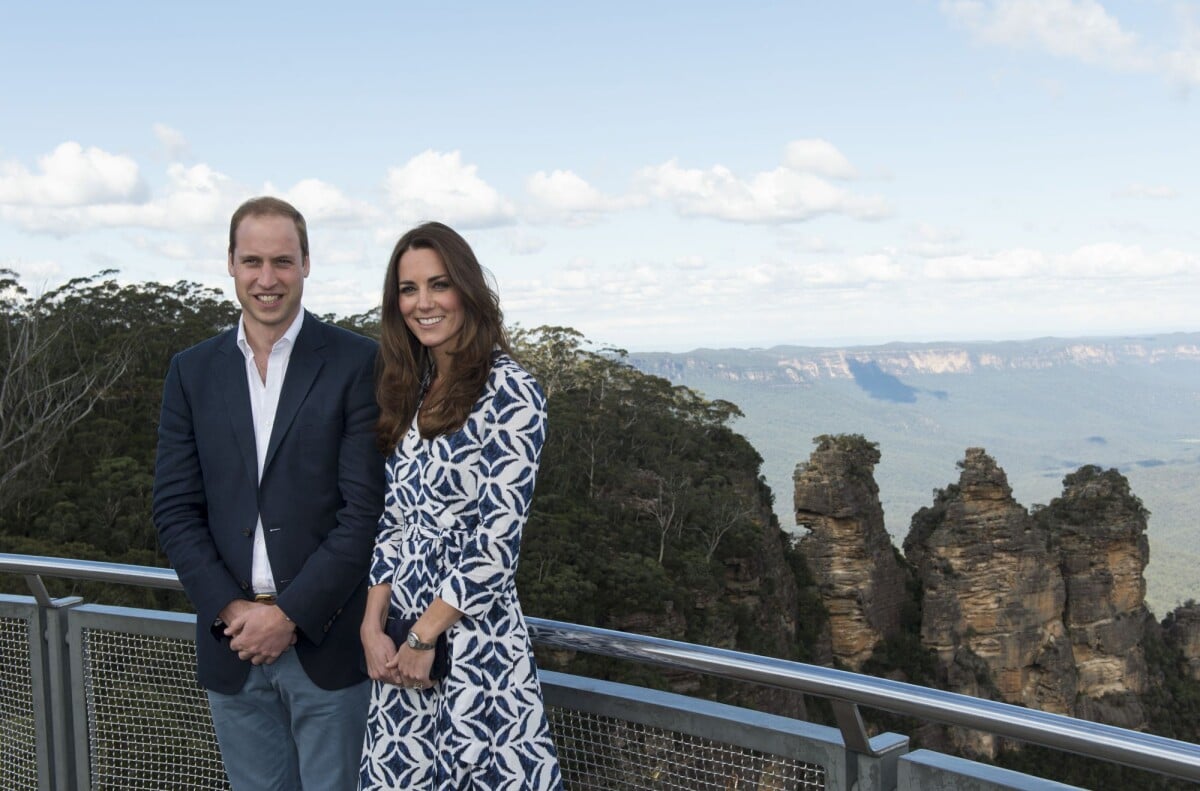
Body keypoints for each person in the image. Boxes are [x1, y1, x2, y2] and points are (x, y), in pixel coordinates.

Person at [153, 196, 384, 791]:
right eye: (252, 261)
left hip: (327, 645)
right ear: (230, 263)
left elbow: (364, 515)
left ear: (307, 263)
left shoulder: (358, 363)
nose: (267, 278)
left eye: (282, 261)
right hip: (232, 647)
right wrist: (234, 613)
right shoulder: (191, 371)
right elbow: (175, 509)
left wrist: (289, 616)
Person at [359, 222, 563, 789]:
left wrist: (425, 638)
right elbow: (395, 521)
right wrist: (373, 627)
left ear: (467, 291)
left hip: (472, 648)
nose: (422, 303)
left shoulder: (512, 391)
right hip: (401, 650)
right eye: (407, 289)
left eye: (438, 285)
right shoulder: (416, 389)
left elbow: (496, 543)